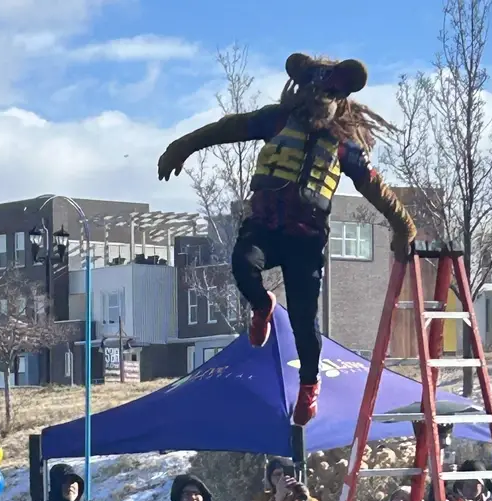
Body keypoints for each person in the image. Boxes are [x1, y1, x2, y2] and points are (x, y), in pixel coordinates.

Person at [157, 53, 415, 426]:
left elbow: (374, 187)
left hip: (306, 239)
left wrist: (403, 226)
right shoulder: (276, 120)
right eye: (313, 90)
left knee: (304, 320)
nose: (319, 99)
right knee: (242, 265)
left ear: (340, 98)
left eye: (329, 93)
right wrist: (182, 146)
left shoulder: (344, 144)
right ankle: (262, 306)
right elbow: (224, 128)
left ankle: (309, 385)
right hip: (264, 225)